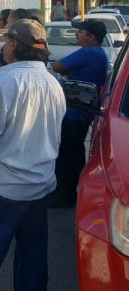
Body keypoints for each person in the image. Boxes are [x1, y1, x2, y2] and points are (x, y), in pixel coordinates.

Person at [0, 19, 65, 290]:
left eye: (7, 40)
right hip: (40, 184)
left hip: (2, 186)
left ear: (15, 46)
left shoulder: (4, 81)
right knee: (32, 260)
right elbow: (54, 135)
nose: (4, 45)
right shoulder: (53, 82)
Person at [50, 18, 108, 207]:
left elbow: (57, 66)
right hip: (81, 111)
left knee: (67, 154)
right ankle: (69, 192)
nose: (77, 34)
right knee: (73, 152)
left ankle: (64, 195)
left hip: (74, 112)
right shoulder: (99, 53)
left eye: (81, 32)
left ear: (91, 37)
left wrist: (68, 71)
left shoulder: (89, 52)